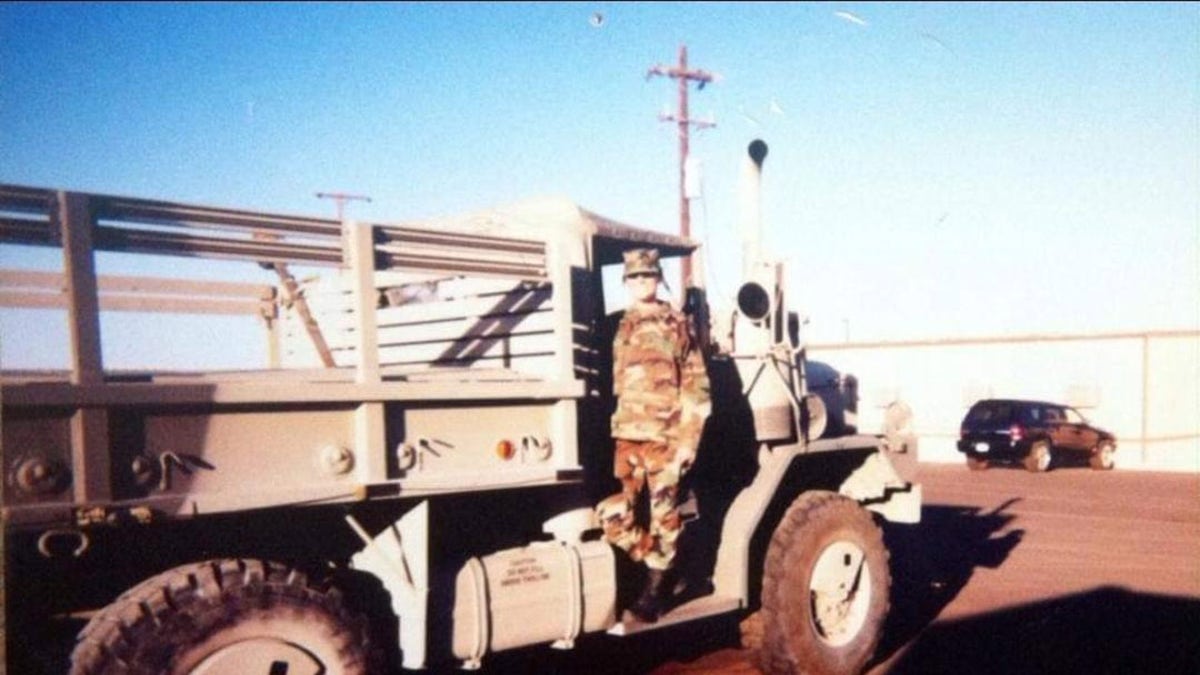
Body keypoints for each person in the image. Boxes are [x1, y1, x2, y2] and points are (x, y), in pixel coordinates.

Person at [596, 248, 711, 623]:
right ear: (626, 282)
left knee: (665, 515)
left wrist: (687, 442)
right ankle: (657, 560)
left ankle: (655, 590)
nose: (642, 282)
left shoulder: (676, 323)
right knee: (614, 516)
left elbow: (696, 387)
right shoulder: (619, 324)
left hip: (666, 437)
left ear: (658, 278)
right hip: (627, 435)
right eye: (634, 277)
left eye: (648, 276)